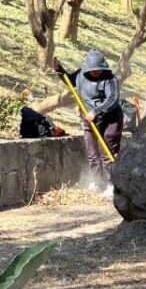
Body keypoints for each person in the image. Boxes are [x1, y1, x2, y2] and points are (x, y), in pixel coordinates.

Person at [52, 49, 123, 194]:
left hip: (110, 119)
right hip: (90, 120)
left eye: (98, 69)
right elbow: (69, 80)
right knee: (92, 153)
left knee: (107, 152)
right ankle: (97, 183)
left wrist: (96, 111)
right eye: (93, 69)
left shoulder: (110, 79)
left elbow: (113, 99)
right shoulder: (81, 75)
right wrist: (59, 69)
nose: (96, 72)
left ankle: (112, 185)